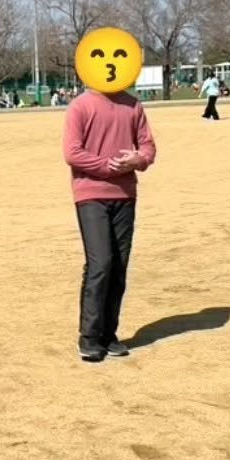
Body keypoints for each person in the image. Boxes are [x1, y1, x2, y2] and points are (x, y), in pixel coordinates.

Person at [64, 29, 157, 363]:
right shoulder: (80, 107)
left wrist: (138, 159)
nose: (110, 65)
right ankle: (89, 336)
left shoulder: (133, 106)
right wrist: (107, 166)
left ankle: (109, 333)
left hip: (125, 196)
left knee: (119, 266)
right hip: (90, 195)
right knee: (100, 263)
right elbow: (72, 153)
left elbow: (148, 147)